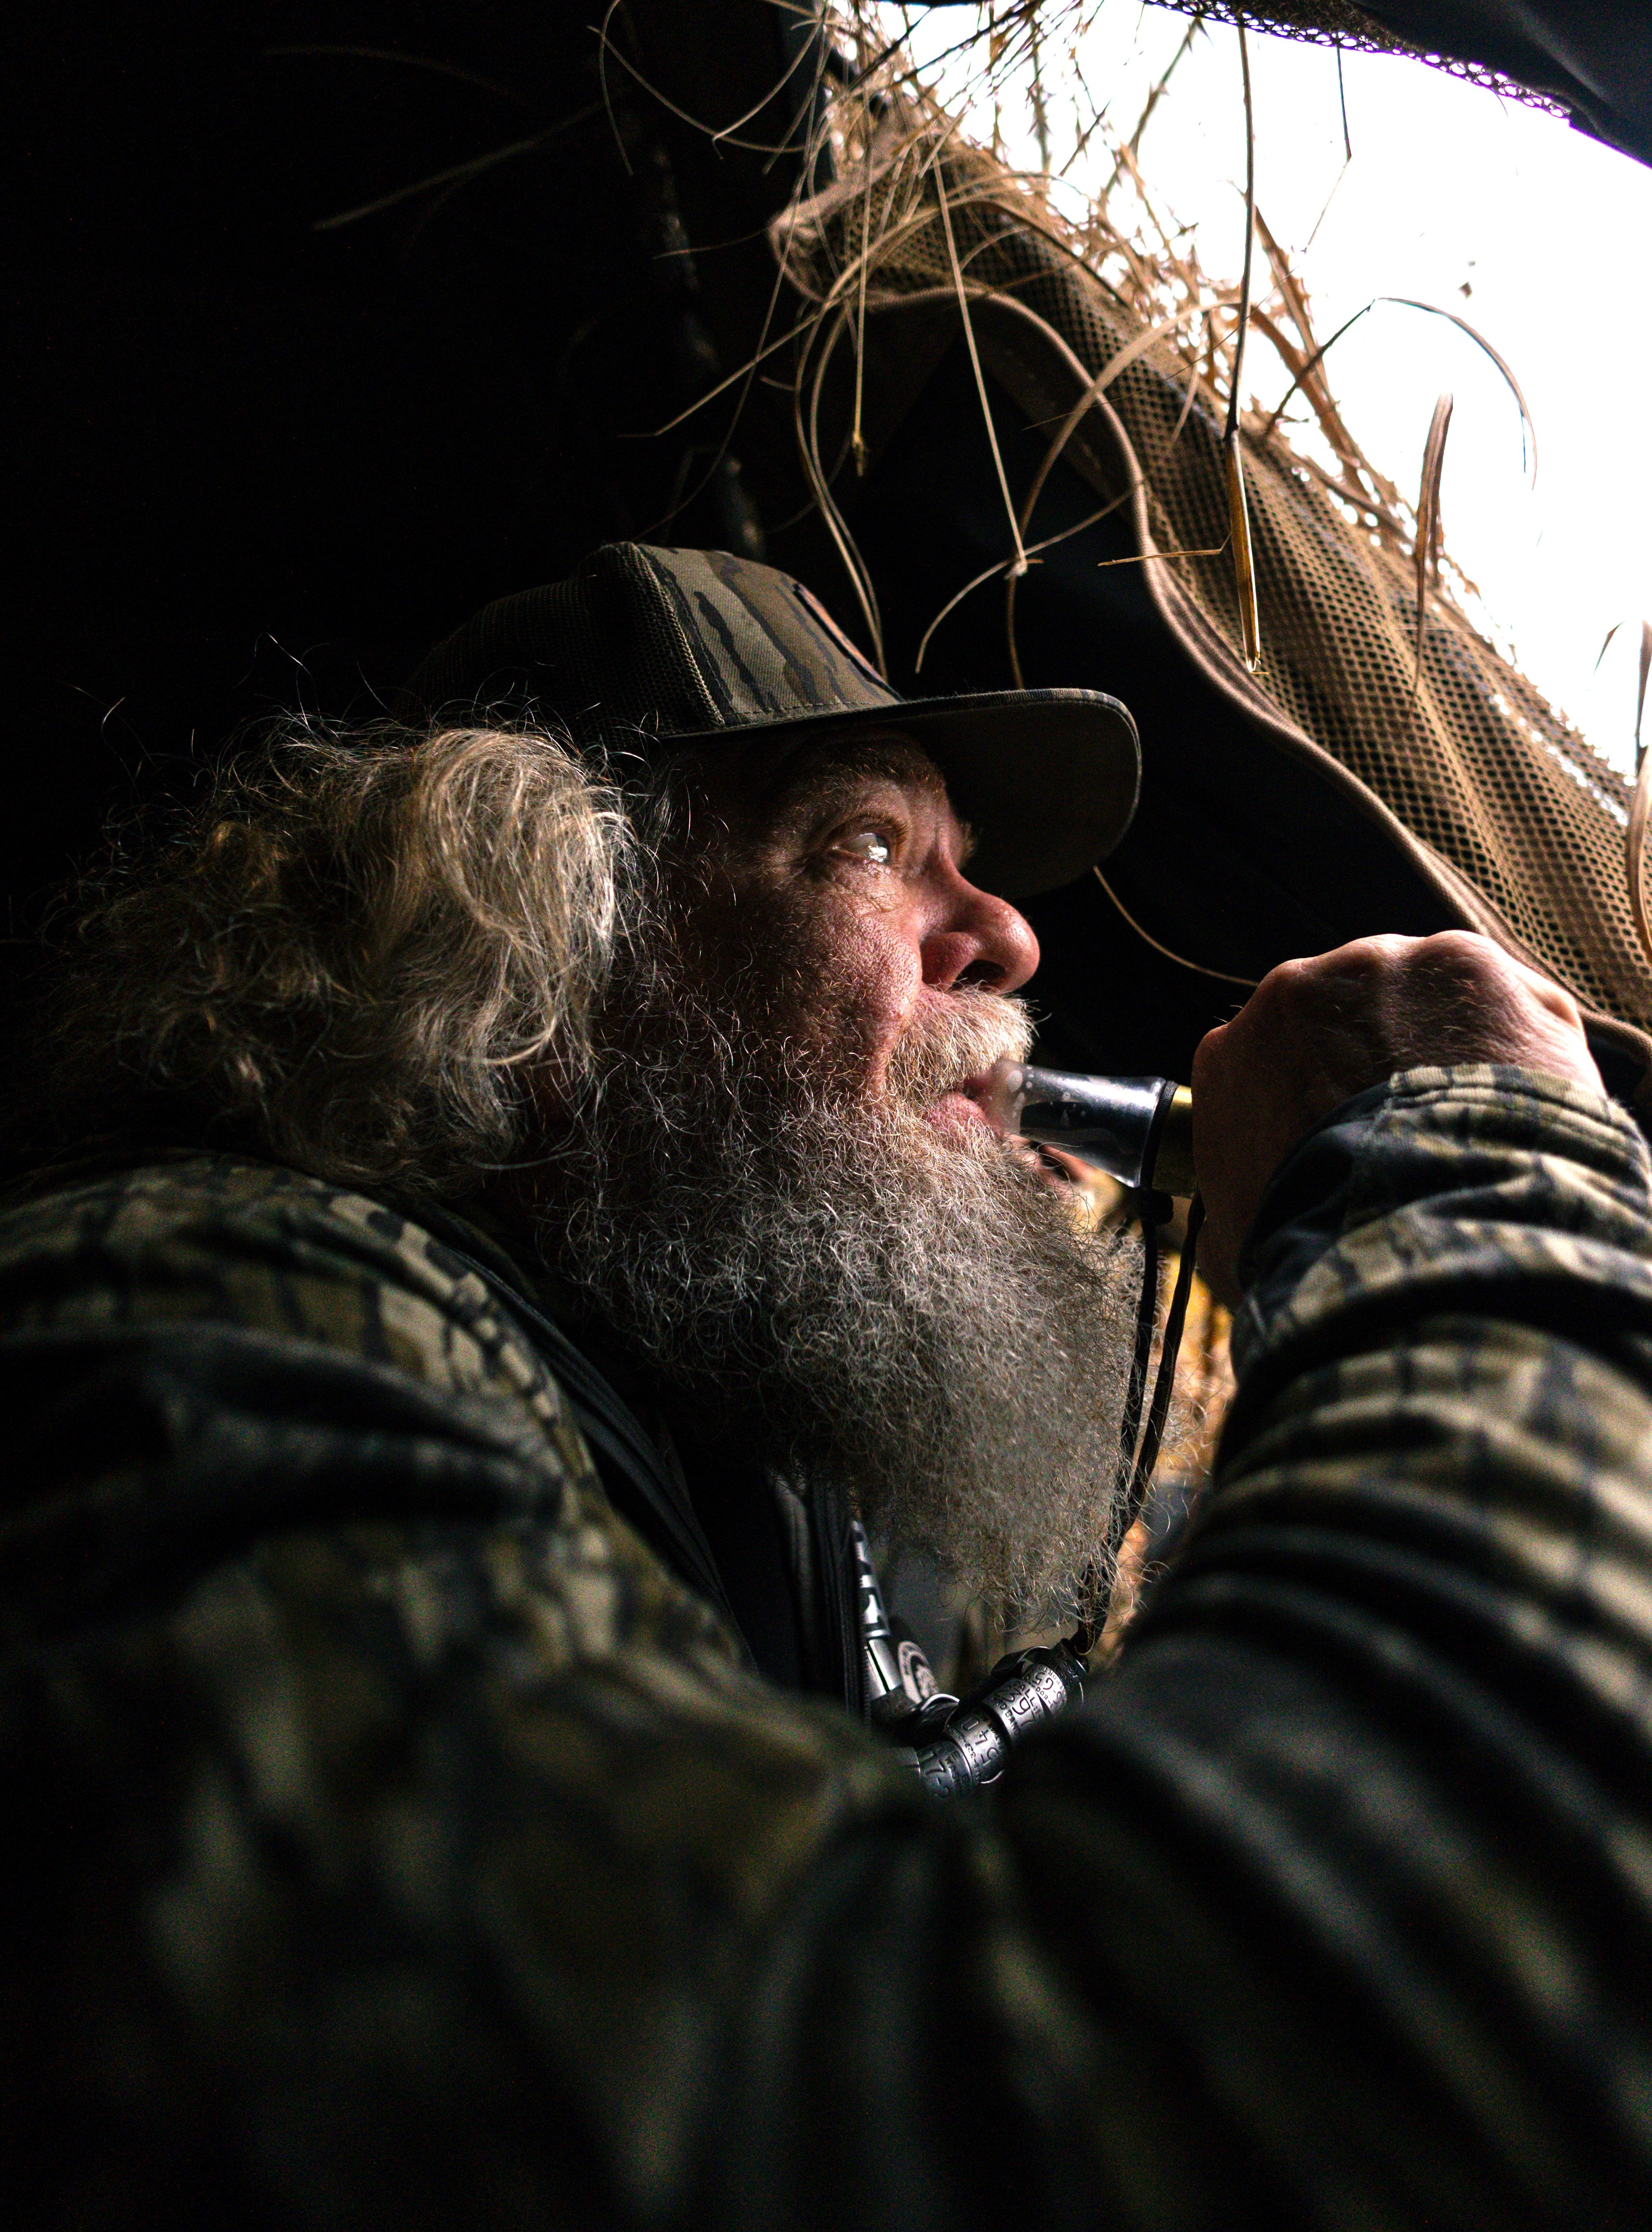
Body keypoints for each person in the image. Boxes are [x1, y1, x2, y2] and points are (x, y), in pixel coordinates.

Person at [0, 540, 1647, 2230]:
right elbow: (1188, 2092)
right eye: (868, 843)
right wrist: (1459, 1159)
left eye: (969, 864)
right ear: (536, 947)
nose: (1007, 934)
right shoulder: (203, 1333)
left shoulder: (755, 1455)